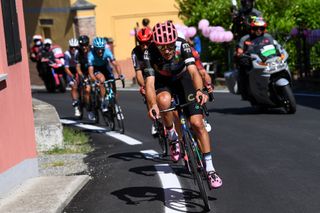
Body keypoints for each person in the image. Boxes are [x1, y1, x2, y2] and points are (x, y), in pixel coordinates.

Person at [144, 21, 222, 189]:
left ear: (175, 42)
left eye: (170, 46)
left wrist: (200, 91)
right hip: (163, 82)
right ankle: (172, 136)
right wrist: (152, 105)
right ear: (156, 45)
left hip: (182, 79)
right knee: (163, 101)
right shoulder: (149, 52)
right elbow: (150, 84)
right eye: (162, 47)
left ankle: (210, 169)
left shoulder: (183, 45)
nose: (166, 51)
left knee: (197, 123)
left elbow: (193, 71)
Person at [236, 17, 283, 100]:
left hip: (268, 59)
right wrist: (240, 54)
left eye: (261, 28)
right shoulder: (245, 38)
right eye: (256, 28)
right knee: (243, 68)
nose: (258, 31)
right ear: (252, 28)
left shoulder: (268, 37)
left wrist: (279, 51)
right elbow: (239, 50)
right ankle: (245, 91)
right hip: (253, 60)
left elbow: (275, 46)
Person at [131, 27, 158, 136]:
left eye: (147, 43)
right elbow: (138, 72)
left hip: (158, 73)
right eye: (142, 43)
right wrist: (144, 86)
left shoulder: (156, 48)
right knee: (147, 93)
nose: (145, 46)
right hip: (146, 74)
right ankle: (155, 122)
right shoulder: (135, 52)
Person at [88, 37, 124, 112]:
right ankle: (103, 101)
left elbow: (116, 64)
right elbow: (91, 72)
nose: (100, 51)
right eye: (98, 49)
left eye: (102, 49)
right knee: (102, 80)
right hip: (96, 68)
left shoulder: (107, 51)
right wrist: (95, 80)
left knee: (112, 83)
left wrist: (120, 75)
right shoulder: (90, 55)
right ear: (94, 48)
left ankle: (115, 104)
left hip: (105, 67)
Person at [76, 35, 95, 121]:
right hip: (84, 72)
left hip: (93, 70)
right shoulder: (78, 53)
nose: (84, 47)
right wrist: (82, 76)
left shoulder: (93, 49)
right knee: (87, 90)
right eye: (82, 45)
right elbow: (78, 68)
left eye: (86, 45)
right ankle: (89, 109)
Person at [64, 38, 81, 117]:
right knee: (74, 86)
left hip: (79, 70)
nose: (73, 49)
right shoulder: (67, 54)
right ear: (69, 47)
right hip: (70, 71)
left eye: (75, 47)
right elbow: (66, 68)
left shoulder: (79, 52)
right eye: (71, 47)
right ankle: (76, 106)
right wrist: (72, 76)